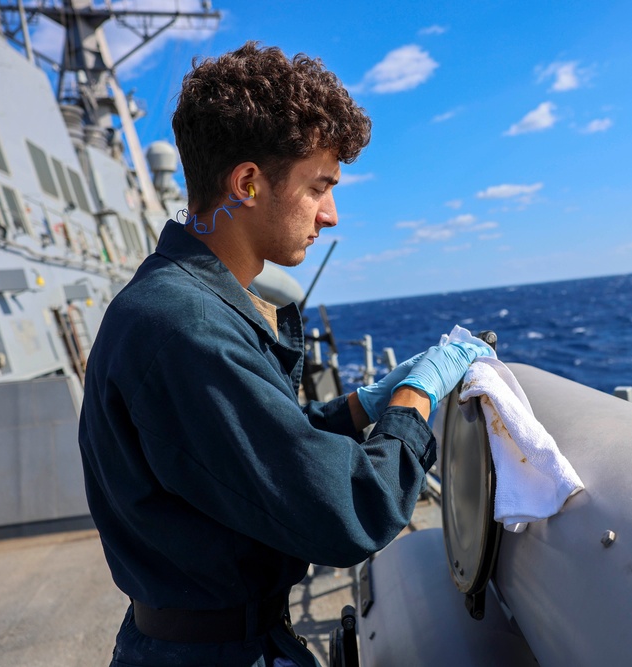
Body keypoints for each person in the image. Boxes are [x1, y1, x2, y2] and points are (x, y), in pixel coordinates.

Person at [78, 42, 490, 667]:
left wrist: (361, 406)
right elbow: (347, 512)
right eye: (318, 186)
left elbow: (252, 449)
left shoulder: (177, 303)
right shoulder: (185, 327)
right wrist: (415, 399)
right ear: (247, 182)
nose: (330, 214)